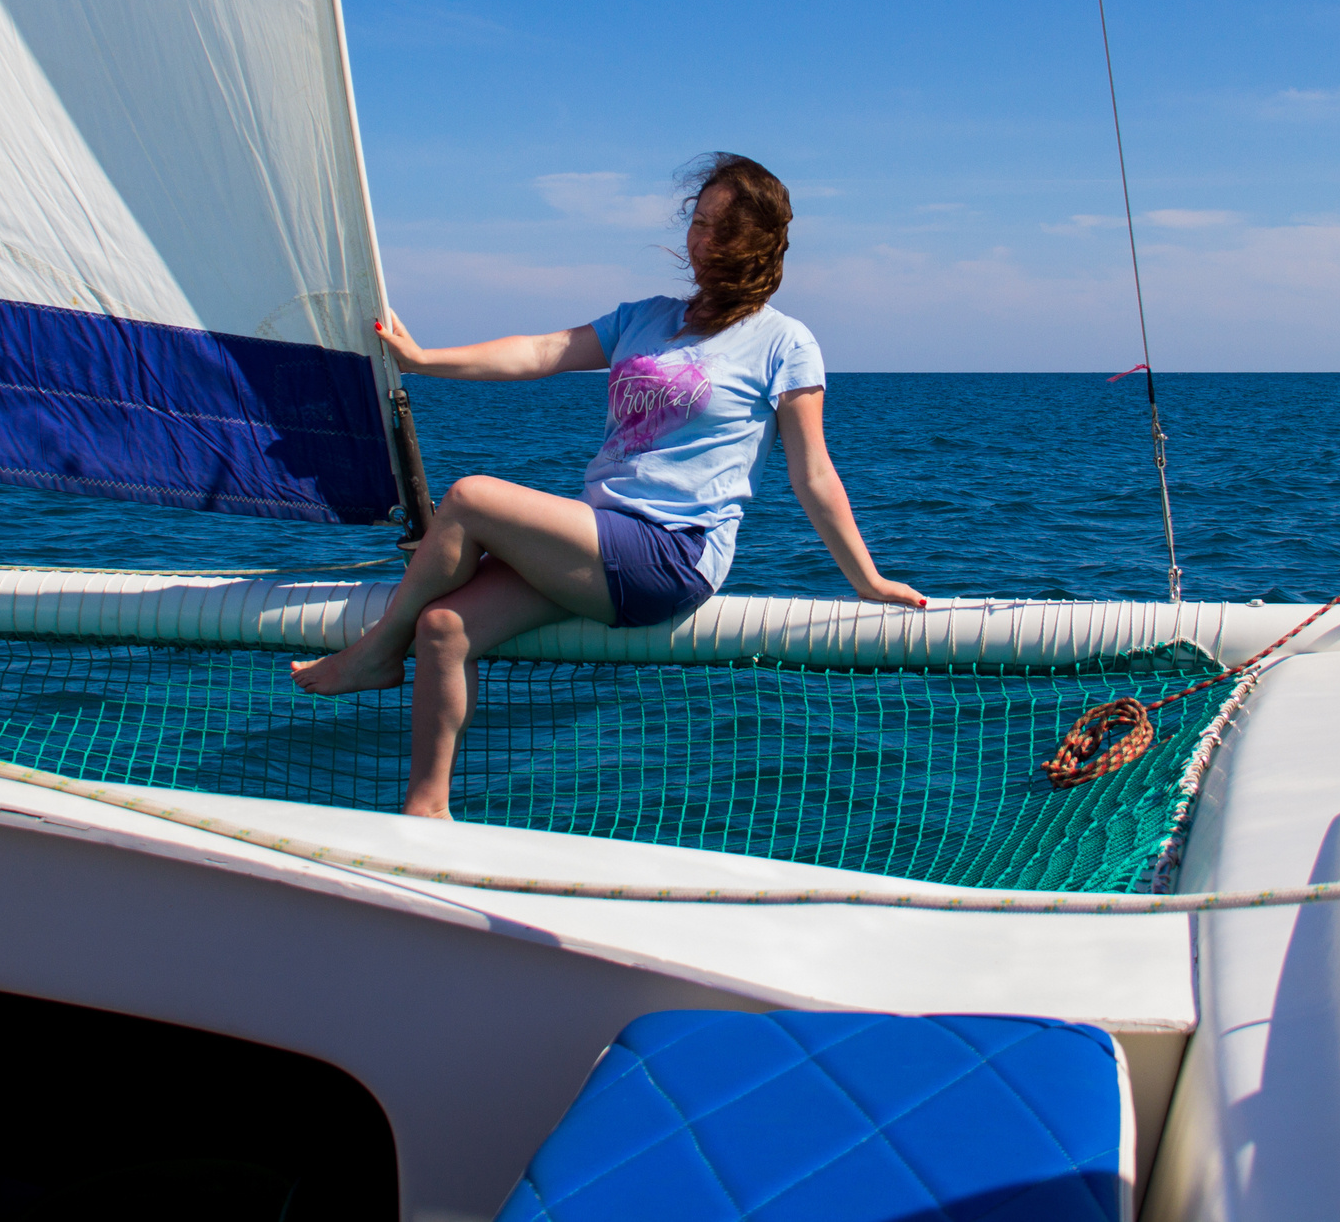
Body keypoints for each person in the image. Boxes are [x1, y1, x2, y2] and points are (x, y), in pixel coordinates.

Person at [290, 152, 922, 819]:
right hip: (598, 542)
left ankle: (377, 651)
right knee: (446, 628)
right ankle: (426, 812)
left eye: (719, 229)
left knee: (471, 496)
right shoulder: (645, 318)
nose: (700, 241)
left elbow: (813, 472)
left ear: (759, 244)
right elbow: (539, 352)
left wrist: (867, 578)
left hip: (673, 552)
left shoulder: (784, 343)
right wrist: (423, 361)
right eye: (697, 222)